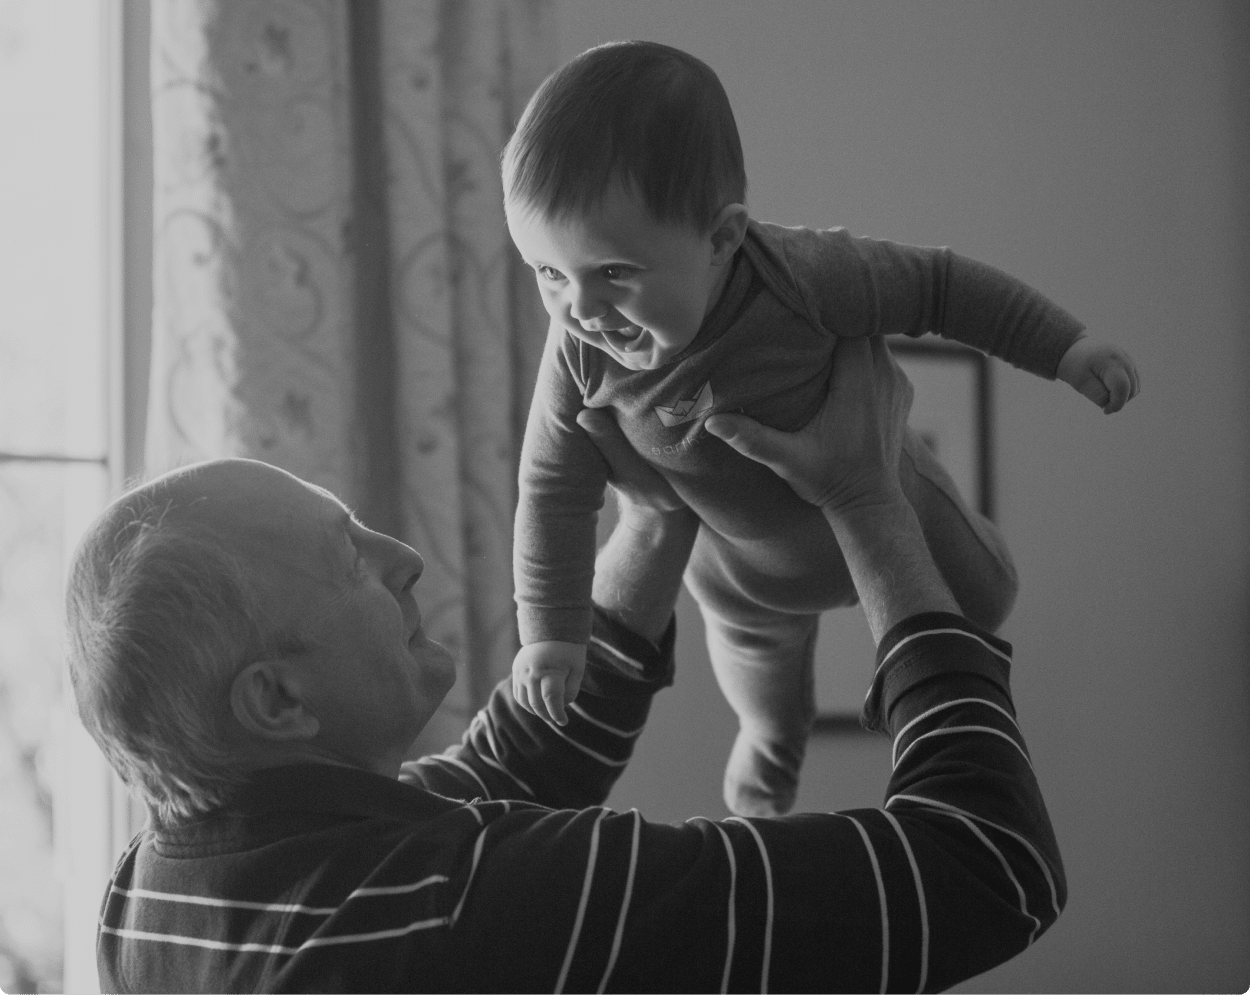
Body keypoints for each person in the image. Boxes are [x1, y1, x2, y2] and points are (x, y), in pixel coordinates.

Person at [67, 336, 1064, 993]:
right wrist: (866, 503)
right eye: (350, 558)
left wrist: (659, 510)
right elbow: (984, 866)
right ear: (278, 697)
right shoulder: (473, 905)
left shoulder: (148, 899)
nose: (403, 559)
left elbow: (506, 768)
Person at [505, 39, 1140, 815]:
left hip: (891, 502)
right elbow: (551, 490)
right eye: (547, 273)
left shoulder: (801, 275)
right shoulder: (577, 352)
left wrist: (1066, 347)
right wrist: (550, 633)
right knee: (765, 696)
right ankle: (770, 751)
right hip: (743, 573)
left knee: (986, 599)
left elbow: (941, 287)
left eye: (614, 273)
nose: (581, 309)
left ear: (721, 240)